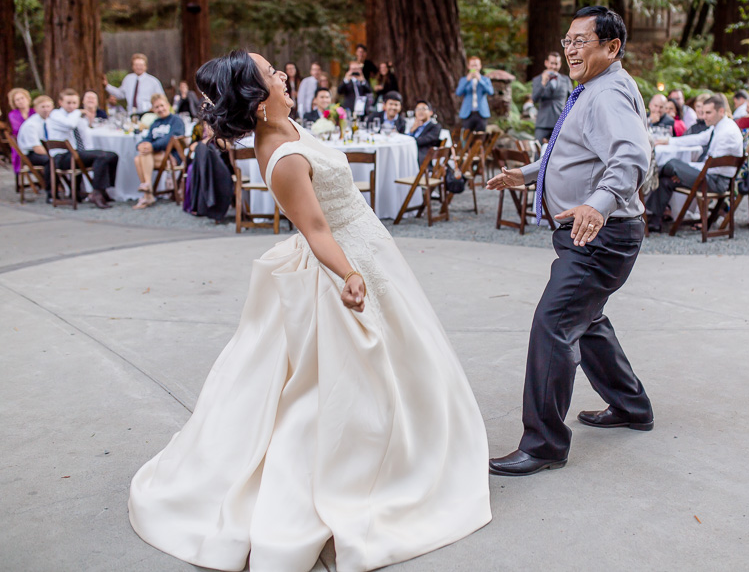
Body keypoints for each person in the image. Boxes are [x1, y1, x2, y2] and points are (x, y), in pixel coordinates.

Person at [127, 50, 490, 572]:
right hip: (345, 257)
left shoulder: (285, 122)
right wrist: (349, 275)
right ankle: (375, 466)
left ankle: (423, 439)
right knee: (339, 382)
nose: (283, 74)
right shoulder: (282, 156)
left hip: (367, 242)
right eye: (271, 73)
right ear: (256, 99)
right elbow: (315, 229)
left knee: (406, 354)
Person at [485, 5, 652, 477]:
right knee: (587, 320)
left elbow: (631, 156)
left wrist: (598, 205)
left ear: (611, 47)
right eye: (568, 41)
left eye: (582, 41)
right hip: (588, 232)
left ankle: (543, 445)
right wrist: (529, 173)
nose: (572, 49)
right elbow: (572, 151)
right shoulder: (593, 89)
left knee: (553, 324)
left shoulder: (607, 94)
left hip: (602, 234)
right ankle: (632, 406)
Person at [645, 95, 744, 232]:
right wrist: (668, 141)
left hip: (716, 181)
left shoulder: (726, 132)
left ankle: (649, 179)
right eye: (704, 112)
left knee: (672, 164)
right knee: (666, 180)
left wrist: (685, 170)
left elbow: (712, 168)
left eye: (708, 113)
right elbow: (698, 139)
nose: (704, 117)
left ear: (721, 111)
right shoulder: (720, 126)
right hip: (710, 175)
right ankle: (654, 220)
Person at [47, 88, 119, 209]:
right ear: (60, 102)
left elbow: (86, 135)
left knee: (112, 156)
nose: (72, 106)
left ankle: (102, 190)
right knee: (101, 156)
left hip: (76, 154)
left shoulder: (76, 117)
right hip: (62, 157)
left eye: (74, 103)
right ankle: (96, 192)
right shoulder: (56, 115)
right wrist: (78, 112)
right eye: (68, 103)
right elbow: (70, 124)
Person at [132, 93, 186, 209]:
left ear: (167, 105)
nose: (160, 109)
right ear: (153, 109)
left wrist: (152, 146)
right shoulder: (155, 123)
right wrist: (140, 145)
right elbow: (147, 138)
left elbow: (171, 139)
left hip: (171, 157)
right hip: (156, 156)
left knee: (142, 156)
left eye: (162, 105)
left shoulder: (176, 121)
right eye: (157, 107)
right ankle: (148, 191)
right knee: (138, 157)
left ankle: (147, 194)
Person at [15, 95, 61, 202]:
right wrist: (53, 155)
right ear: (36, 109)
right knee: (51, 161)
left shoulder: (50, 121)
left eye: (48, 106)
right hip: (30, 155)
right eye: (43, 107)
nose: (46, 109)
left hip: (46, 150)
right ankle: (52, 194)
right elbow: (37, 148)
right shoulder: (31, 124)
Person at [531, 52, 573, 143]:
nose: (554, 66)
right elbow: (534, 99)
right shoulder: (537, 80)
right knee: (538, 153)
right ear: (546, 63)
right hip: (543, 124)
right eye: (552, 63)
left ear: (560, 64)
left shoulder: (566, 80)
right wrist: (543, 83)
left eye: (556, 64)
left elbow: (572, 100)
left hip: (560, 122)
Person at [456, 56, 494, 132]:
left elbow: (490, 91)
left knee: (480, 136)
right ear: (469, 67)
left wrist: (480, 80)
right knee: (466, 137)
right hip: (467, 113)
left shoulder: (485, 79)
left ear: (480, 66)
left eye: (476, 65)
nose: (474, 67)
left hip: (481, 112)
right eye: (472, 65)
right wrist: (467, 80)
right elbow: (458, 92)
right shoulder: (464, 80)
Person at [7, 87, 34, 176]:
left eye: (22, 98)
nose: (20, 101)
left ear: (27, 98)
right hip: (21, 142)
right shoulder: (13, 114)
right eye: (17, 100)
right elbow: (19, 128)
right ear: (14, 103)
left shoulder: (34, 111)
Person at [408, 99, 442, 165]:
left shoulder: (435, 127)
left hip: (423, 158)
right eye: (418, 109)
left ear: (430, 112)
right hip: (410, 153)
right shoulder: (414, 126)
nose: (420, 112)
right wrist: (412, 130)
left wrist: (409, 140)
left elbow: (423, 141)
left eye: (423, 109)